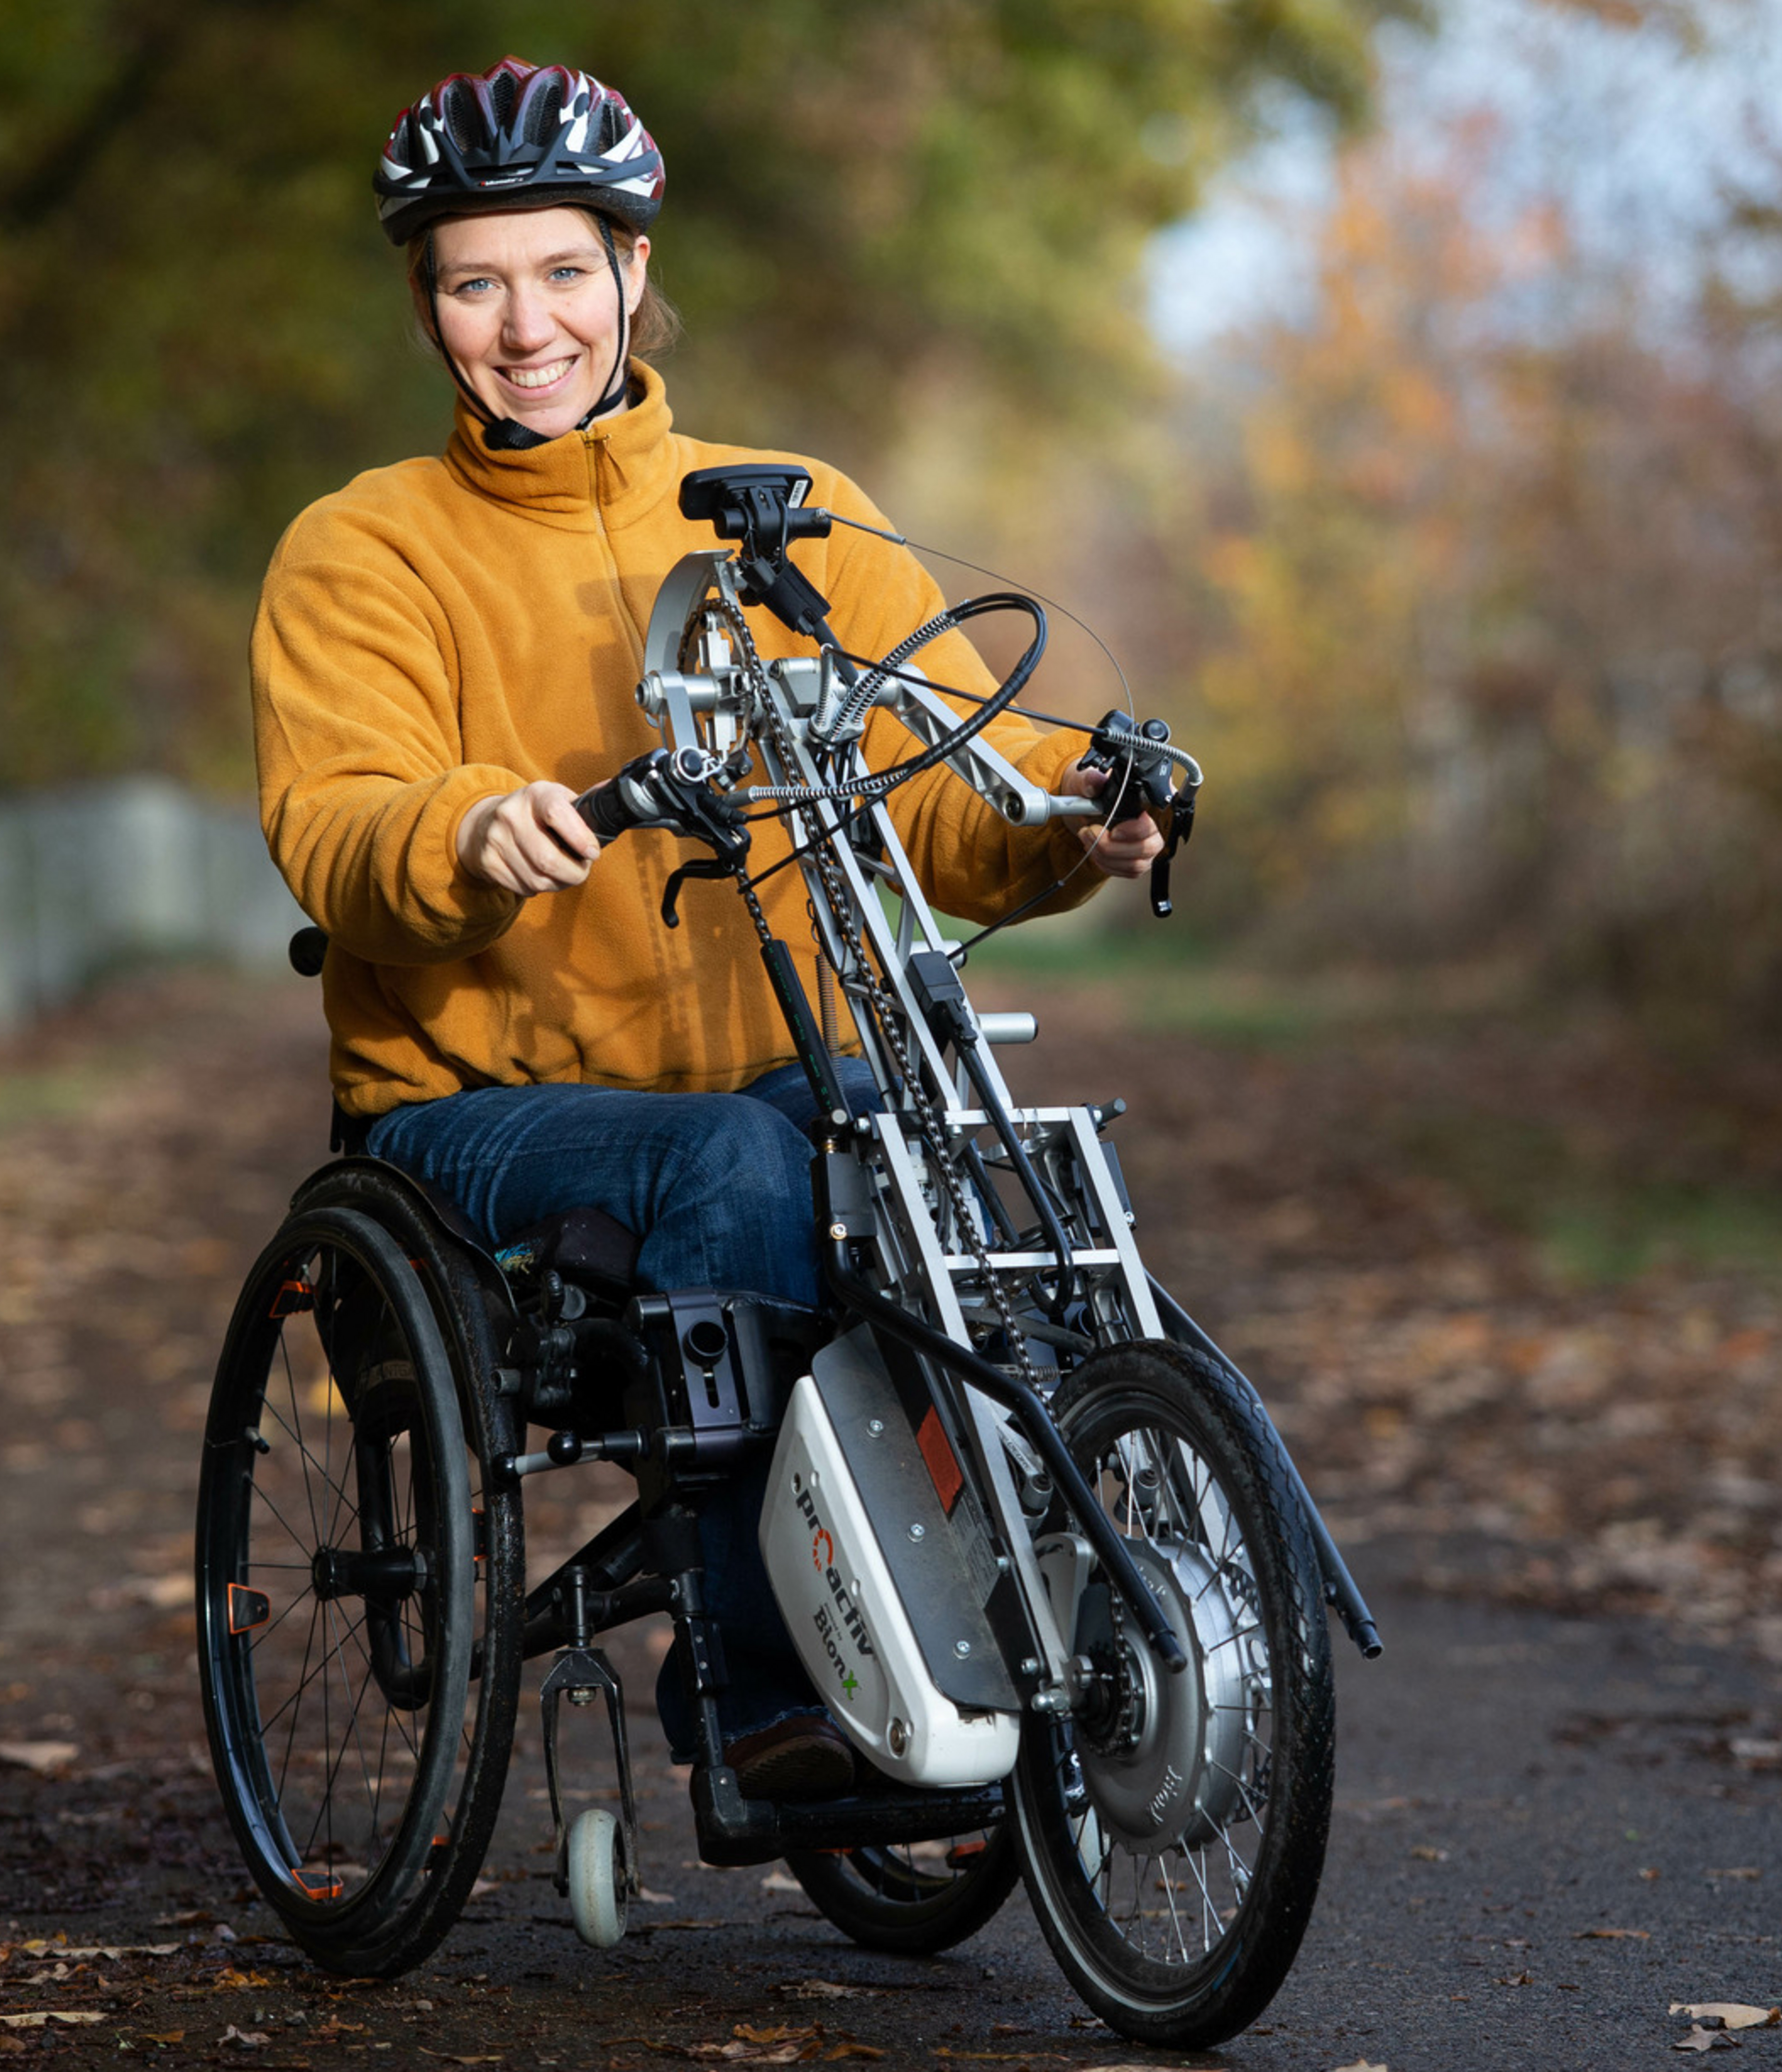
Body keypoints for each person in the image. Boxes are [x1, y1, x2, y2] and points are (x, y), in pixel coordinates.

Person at [249, 58, 1162, 1799]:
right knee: (739, 1165)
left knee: (956, 1153)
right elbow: (340, 823)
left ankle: (1041, 1614)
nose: (528, 326)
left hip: (766, 1074)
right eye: (476, 282)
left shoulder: (786, 509)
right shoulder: (363, 552)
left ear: (634, 275)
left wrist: (1080, 819)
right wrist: (472, 826)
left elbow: (949, 780)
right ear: (427, 300)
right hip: (472, 1114)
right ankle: (754, 1701)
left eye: (565, 273)